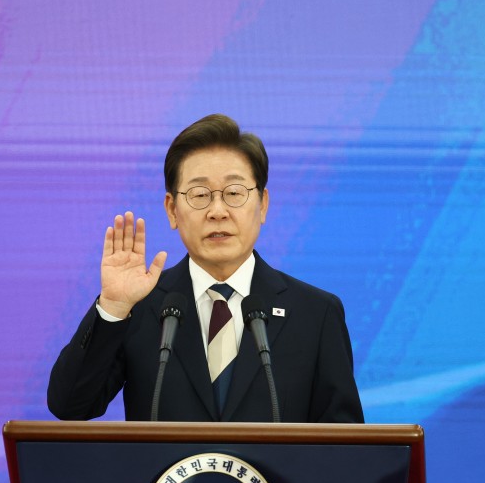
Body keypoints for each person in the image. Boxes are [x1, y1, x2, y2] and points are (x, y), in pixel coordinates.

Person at [47, 114, 363, 423]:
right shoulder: (139, 308)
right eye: (199, 195)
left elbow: (345, 450)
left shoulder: (315, 314)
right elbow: (70, 406)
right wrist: (114, 308)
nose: (217, 211)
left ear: (263, 204)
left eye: (234, 193)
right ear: (172, 210)